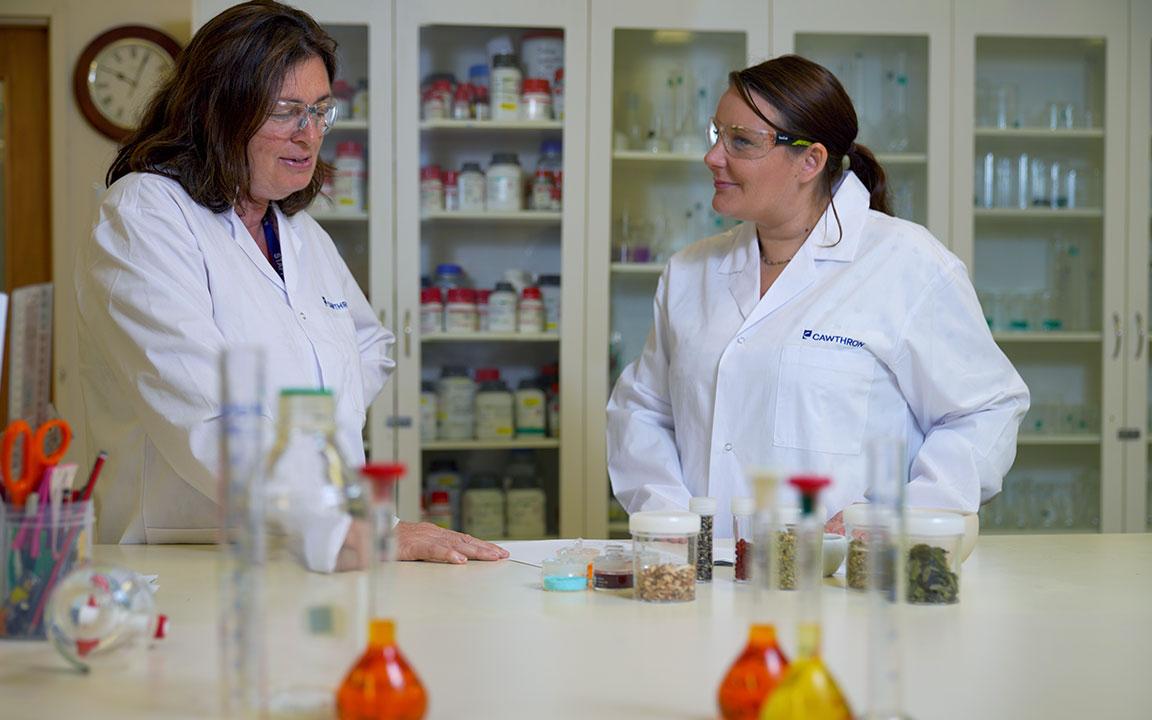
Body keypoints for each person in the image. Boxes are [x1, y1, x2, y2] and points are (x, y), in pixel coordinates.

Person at [75, 0, 507, 564]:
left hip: (309, 547)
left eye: (320, 111)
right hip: (187, 557)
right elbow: (209, 417)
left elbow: (368, 345)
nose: (309, 135)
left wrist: (313, 436)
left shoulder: (296, 231)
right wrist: (343, 521)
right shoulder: (144, 213)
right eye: (285, 111)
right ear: (218, 111)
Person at [607, 55, 1030, 537]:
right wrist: (671, 520)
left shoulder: (906, 263)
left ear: (810, 160)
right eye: (716, 134)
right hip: (707, 576)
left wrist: (896, 520)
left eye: (740, 141)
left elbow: (986, 409)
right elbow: (641, 411)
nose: (713, 157)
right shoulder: (689, 272)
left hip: (844, 578)